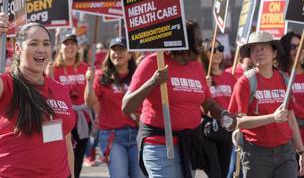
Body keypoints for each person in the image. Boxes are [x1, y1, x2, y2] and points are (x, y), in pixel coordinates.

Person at [122, 21, 233, 178]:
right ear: (183, 41)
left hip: (188, 146)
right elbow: (127, 106)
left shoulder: (196, 67)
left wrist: (222, 114)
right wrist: (153, 82)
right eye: (198, 41)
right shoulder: (153, 62)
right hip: (160, 145)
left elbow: (207, 102)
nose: (202, 46)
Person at [0, 14, 75, 178]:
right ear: (18, 49)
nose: (41, 49)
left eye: (46, 44)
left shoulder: (60, 90)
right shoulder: (7, 85)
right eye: (33, 43)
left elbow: (65, 140)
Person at [229, 31, 304, 178]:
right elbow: (238, 122)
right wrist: (273, 117)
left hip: (285, 153)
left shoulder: (285, 79)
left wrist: (301, 151)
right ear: (249, 55)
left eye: (263, 48)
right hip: (256, 154)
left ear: (274, 53)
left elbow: (290, 118)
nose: (258, 52)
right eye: (254, 49)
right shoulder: (245, 82)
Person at [85, 37, 144, 178]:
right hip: (113, 136)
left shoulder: (138, 76)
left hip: (137, 134)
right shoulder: (101, 76)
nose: (117, 53)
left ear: (130, 54)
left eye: (121, 49)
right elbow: (89, 101)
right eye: (114, 49)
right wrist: (89, 81)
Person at [52, 34, 90, 178]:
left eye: (73, 43)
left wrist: (91, 82)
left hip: (81, 121)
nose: (70, 47)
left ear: (78, 47)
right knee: (59, 159)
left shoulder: (85, 68)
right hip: (60, 122)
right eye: (66, 44)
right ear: (60, 48)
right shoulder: (53, 68)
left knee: (78, 160)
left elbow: (91, 98)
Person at [201, 39, 236, 178]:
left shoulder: (230, 76)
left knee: (226, 170)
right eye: (212, 49)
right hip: (209, 129)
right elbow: (198, 105)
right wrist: (203, 86)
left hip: (227, 129)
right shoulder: (201, 77)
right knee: (214, 172)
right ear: (204, 53)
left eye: (220, 48)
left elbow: (235, 104)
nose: (217, 53)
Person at [280, 32, 304, 177]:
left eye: (301, 46)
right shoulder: (281, 76)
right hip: (289, 139)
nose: (298, 50)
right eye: (293, 46)